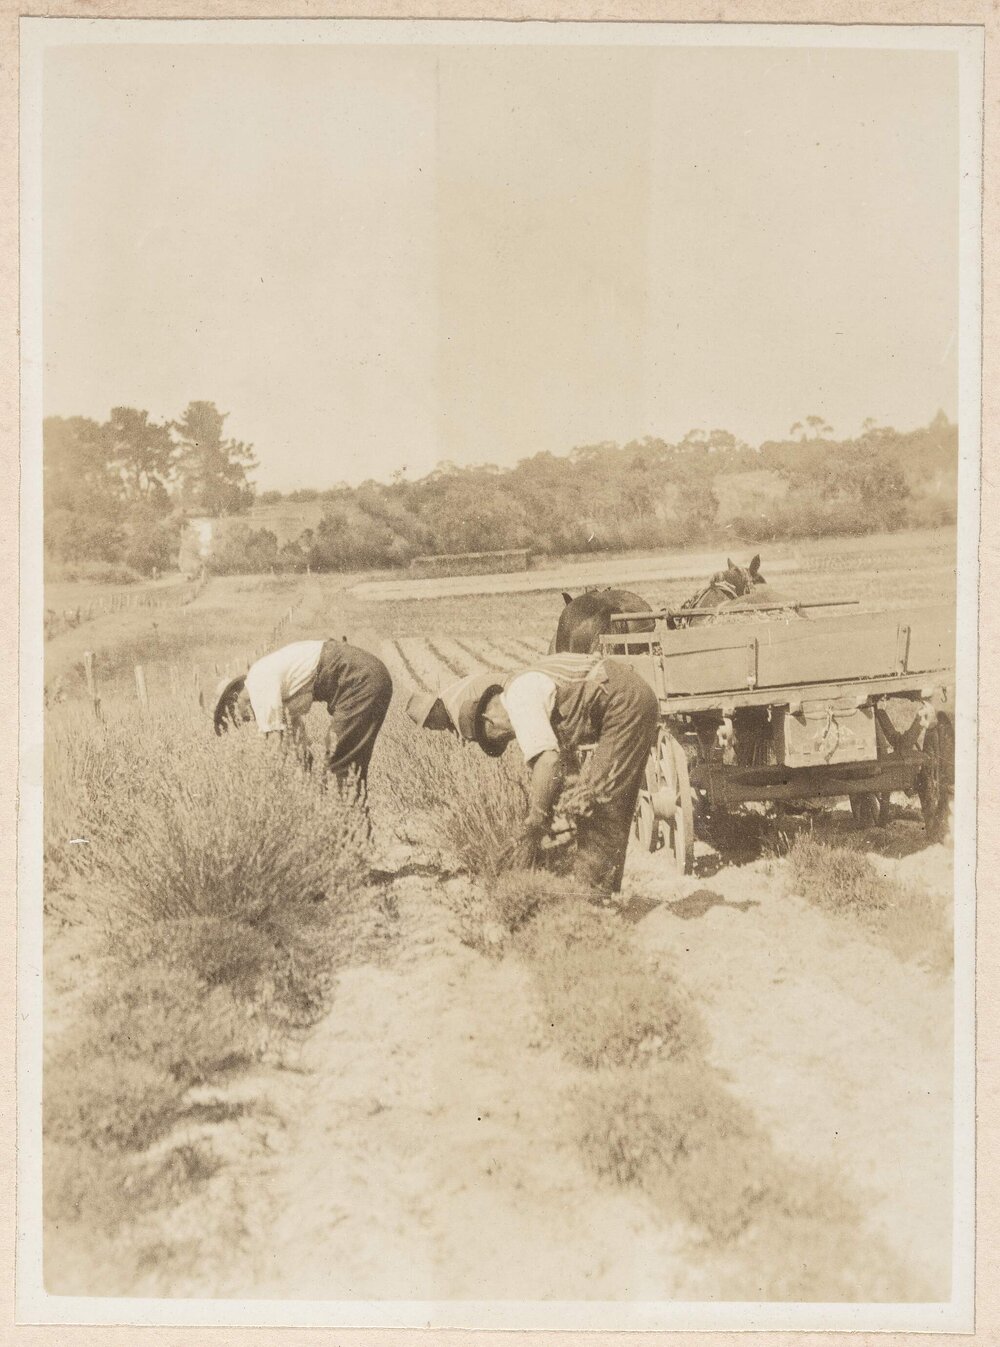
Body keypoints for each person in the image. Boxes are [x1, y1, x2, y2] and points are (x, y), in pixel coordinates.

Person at [406, 652, 659, 894]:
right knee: (594, 805)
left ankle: (592, 902)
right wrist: (561, 800)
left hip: (623, 701)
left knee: (600, 808)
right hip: (624, 696)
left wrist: (536, 820)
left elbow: (548, 762)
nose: (508, 739)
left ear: (489, 720)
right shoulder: (522, 693)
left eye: (495, 739)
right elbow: (561, 765)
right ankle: (598, 894)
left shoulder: (521, 701)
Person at [213, 638, 393, 800]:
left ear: (235, 697)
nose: (244, 719)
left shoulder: (258, 682)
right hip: (366, 675)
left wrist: (265, 791)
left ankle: (347, 833)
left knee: (337, 768)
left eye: (234, 714)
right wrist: (309, 777)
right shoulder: (274, 692)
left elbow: (276, 745)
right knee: (346, 769)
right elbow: (297, 743)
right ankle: (353, 833)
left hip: (358, 679)